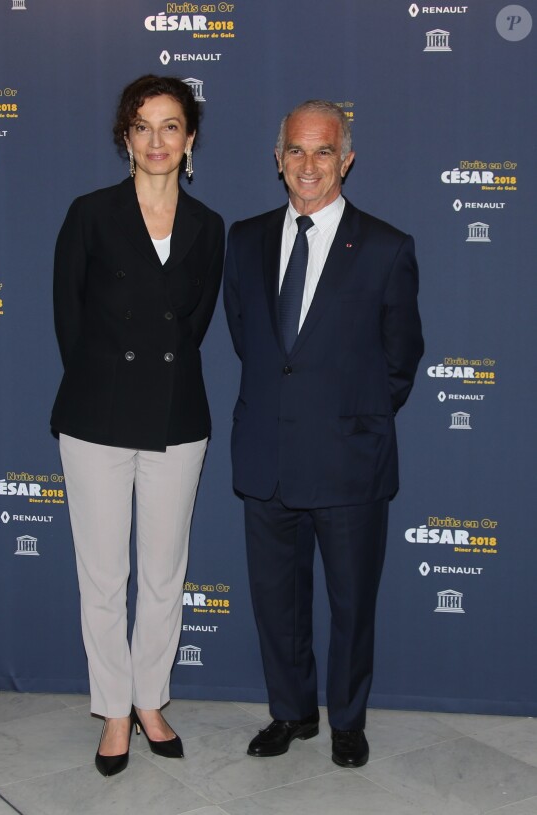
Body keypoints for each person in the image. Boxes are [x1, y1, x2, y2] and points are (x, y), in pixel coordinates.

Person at [224, 100, 423, 768]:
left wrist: (353, 417)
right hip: (266, 460)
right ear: (278, 159)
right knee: (276, 602)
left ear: (348, 159)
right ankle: (290, 712)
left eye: (324, 151)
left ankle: (347, 719)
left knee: (350, 603)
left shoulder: (388, 247)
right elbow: (249, 339)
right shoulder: (245, 239)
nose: (310, 166)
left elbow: (401, 357)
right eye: (297, 152)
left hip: (349, 463)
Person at [51, 74, 224, 777]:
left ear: (190, 140)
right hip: (95, 412)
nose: (157, 141)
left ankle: (152, 697)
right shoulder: (90, 214)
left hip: (177, 414)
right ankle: (114, 709)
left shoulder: (208, 226)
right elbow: (69, 319)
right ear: (125, 137)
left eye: (171, 126)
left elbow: (196, 323)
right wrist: (106, 384)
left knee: (162, 573)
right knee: (102, 573)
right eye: (143, 126)